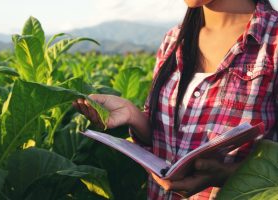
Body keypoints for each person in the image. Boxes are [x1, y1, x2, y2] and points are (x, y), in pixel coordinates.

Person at [73, 0, 278, 199]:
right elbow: (168, 141)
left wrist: (229, 175)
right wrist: (134, 116)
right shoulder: (173, 39)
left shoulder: (273, 40)